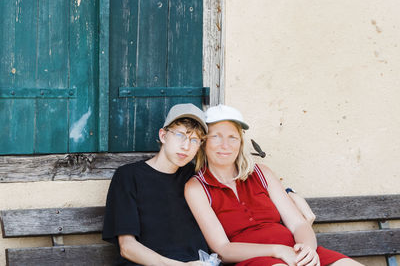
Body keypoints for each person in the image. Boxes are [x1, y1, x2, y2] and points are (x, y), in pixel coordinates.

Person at [185, 104, 364, 266]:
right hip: (252, 260)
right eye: (216, 136)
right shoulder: (197, 187)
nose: (225, 145)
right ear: (204, 142)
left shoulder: (261, 173)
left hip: (294, 251)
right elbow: (223, 249)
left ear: (240, 142)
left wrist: (307, 250)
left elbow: (298, 224)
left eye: (233, 137)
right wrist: (276, 250)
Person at [102, 103, 209, 265]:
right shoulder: (129, 176)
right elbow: (127, 247)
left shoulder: (195, 177)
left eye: (194, 140)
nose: (186, 146)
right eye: (180, 135)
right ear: (163, 136)